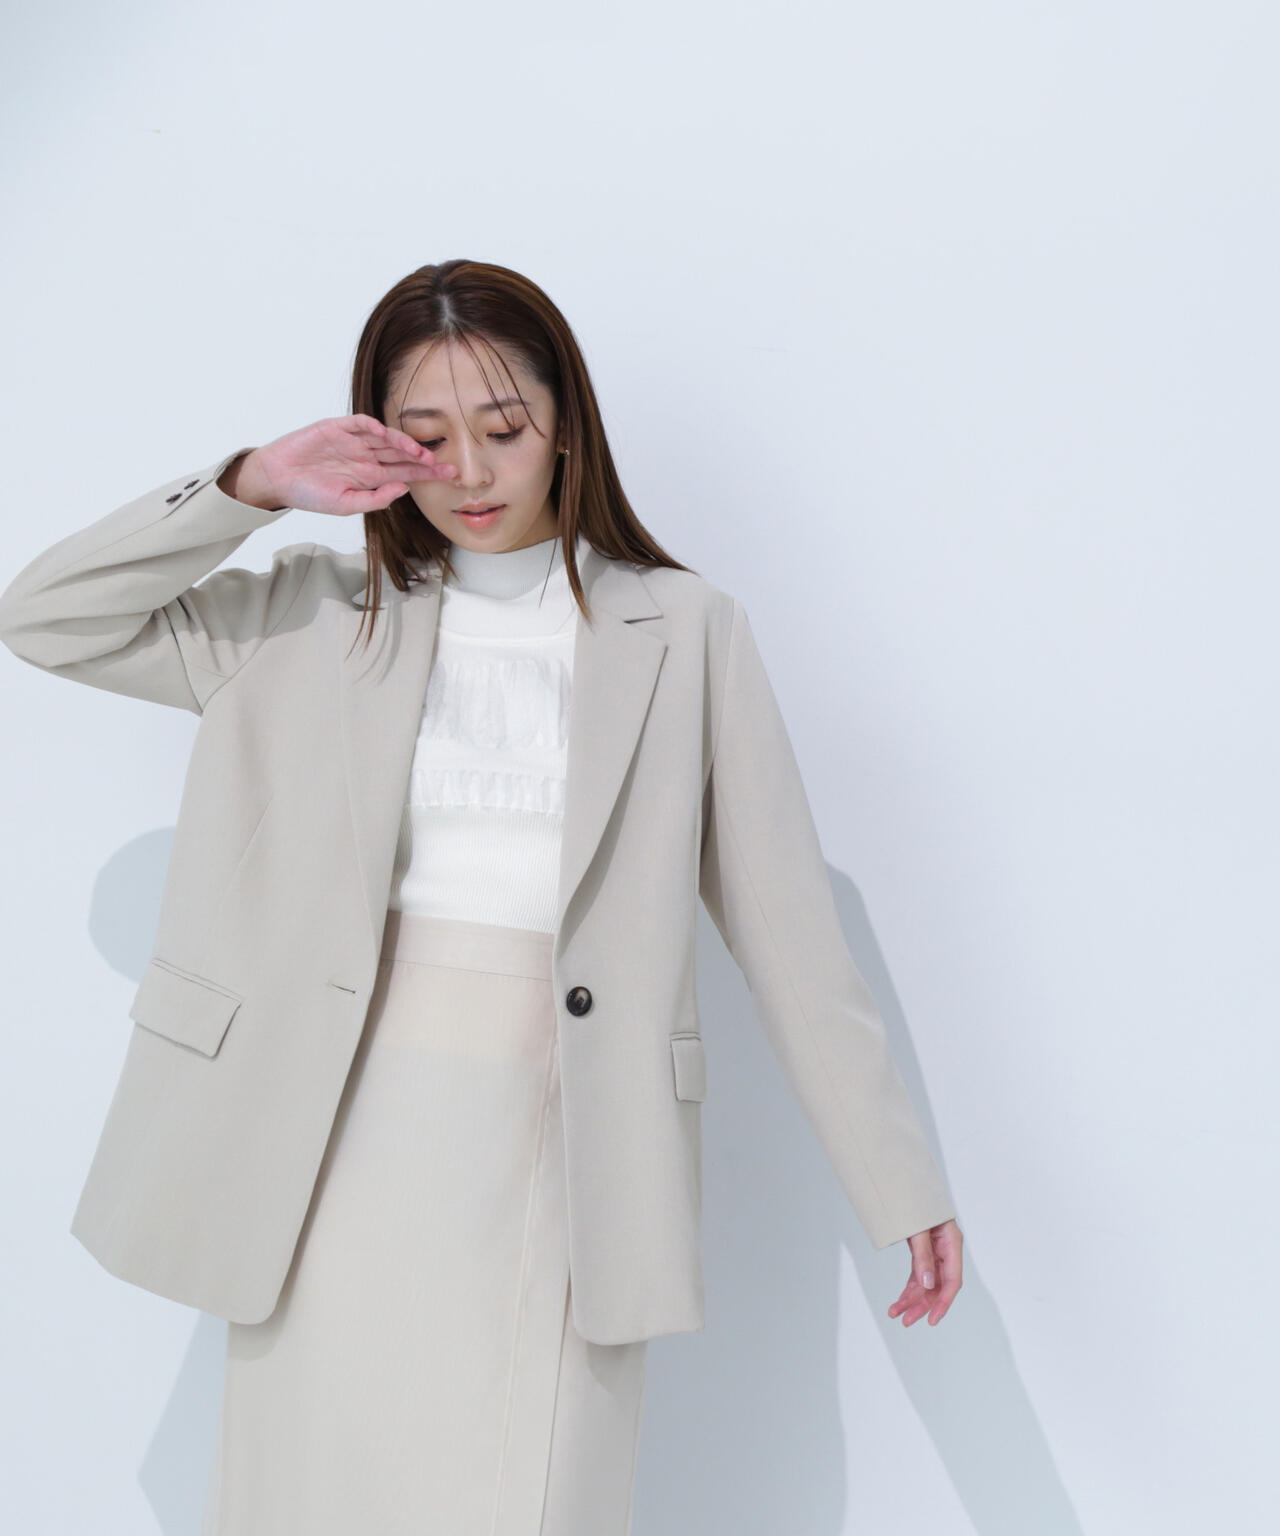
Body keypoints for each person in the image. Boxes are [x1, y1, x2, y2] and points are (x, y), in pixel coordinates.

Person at [0, 259, 963, 1534]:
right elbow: (48, 618)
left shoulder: (685, 631)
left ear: (566, 426)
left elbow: (792, 940)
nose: (468, 472)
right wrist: (250, 486)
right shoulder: (308, 616)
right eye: (426, 436)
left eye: (503, 429)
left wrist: (899, 1185)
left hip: (569, 1150)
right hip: (323, 1141)